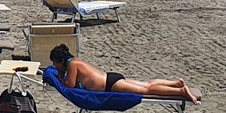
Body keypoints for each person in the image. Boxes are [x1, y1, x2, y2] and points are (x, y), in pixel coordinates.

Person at [49, 44, 200, 103]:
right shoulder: (75, 60)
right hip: (111, 78)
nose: (54, 66)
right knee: (146, 84)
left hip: (110, 85)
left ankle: (180, 91)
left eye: (55, 63)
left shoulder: (72, 64)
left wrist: (58, 77)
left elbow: (70, 84)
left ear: (61, 60)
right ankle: (174, 83)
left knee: (147, 90)